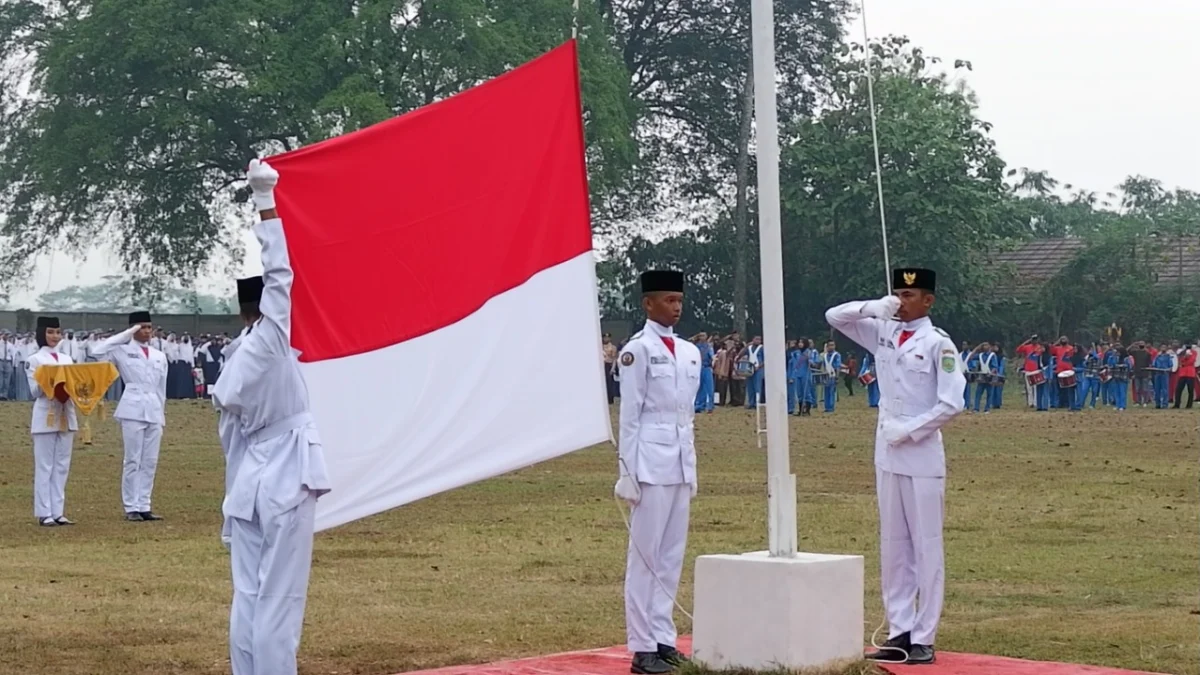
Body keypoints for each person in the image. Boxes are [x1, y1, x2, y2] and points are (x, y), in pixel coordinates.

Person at [213, 159, 331, 675]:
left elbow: (229, 441)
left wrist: (230, 501)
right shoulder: (268, 341)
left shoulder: (234, 359)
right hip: (285, 472)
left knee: (249, 596)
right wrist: (265, 199)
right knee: (280, 599)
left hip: (250, 480)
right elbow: (282, 273)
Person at [825, 268, 966, 666]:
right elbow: (835, 317)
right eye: (897, 293)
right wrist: (875, 307)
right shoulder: (883, 330)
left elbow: (952, 402)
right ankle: (898, 630)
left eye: (909, 295)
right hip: (887, 452)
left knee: (926, 546)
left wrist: (911, 430)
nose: (901, 301)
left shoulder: (940, 344)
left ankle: (924, 636)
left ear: (928, 301)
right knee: (894, 546)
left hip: (920, 453)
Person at [614, 269, 699, 675]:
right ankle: (642, 645)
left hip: (679, 461)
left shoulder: (689, 352)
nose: (676, 307)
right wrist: (627, 472)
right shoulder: (638, 350)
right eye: (668, 300)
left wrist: (692, 466)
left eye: (679, 301)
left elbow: (688, 416)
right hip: (648, 461)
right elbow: (630, 416)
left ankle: (664, 637)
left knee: (670, 557)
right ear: (648, 304)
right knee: (645, 557)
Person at [92, 311, 169, 522]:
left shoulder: (159, 355)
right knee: (133, 459)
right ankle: (131, 506)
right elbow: (97, 352)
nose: (146, 331)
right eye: (141, 327)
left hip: (153, 408)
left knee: (150, 460)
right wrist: (127, 333)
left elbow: (161, 388)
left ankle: (144, 504)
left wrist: (161, 413)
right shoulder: (122, 351)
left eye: (148, 327)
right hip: (133, 408)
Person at [26, 316, 79, 527]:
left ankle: (58, 511)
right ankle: (44, 511)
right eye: (50, 332)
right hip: (46, 413)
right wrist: (50, 381)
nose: (54, 336)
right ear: (41, 334)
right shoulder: (35, 360)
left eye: (57, 332)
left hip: (66, 413)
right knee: (45, 465)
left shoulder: (67, 359)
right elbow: (35, 391)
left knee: (62, 465)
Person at [692, 332, 715, 413]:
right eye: (700, 335)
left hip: (707, 368)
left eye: (704, 335)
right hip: (698, 368)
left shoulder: (709, 346)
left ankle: (710, 406)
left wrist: (713, 362)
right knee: (699, 387)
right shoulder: (695, 346)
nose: (702, 337)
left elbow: (712, 356)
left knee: (709, 387)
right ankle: (699, 406)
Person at [820, 341, 842, 413]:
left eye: (833, 345)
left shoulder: (836, 355)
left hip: (833, 375)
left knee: (831, 391)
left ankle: (831, 407)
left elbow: (838, 366)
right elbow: (823, 365)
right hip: (826, 375)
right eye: (830, 345)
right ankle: (827, 407)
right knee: (826, 391)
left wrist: (837, 377)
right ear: (827, 346)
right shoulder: (825, 355)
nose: (831, 347)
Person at [1174, 343, 1196, 409]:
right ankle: (1177, 404)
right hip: (1183, 373)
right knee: (1178, 389)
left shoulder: (1194, 352)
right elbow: (1180, 361)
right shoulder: (1182, 352)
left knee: (1190, 390)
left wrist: (1185, 359)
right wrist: (1184, 358)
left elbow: (1191, 361)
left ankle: (1189, 405)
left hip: (1190, 373)